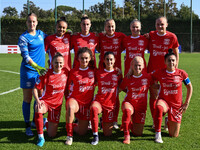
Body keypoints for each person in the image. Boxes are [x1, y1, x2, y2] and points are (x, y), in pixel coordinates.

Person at [152, 49, 192, 143]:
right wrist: (155, 85)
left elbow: (190, 87)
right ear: (165, 62)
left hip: (176, 105)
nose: (171, 62)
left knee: (174, 135)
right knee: (158, 107)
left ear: (176, 61)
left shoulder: (182, 73)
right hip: (164, 101)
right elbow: (150, 78)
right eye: (169, 60)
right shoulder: (159, 72)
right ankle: (158, 134)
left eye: (173, 60)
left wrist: (186, 103)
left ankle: (167, 120)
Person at [147, 16, 180, 127]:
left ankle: (166, 118)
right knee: (153, 95)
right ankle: (154, 119)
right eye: (158, 24)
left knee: (167, 95)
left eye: (162, 24)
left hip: (167, 71)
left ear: (166, 25)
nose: (160, 26)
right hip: (152, 71)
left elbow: (176, 52)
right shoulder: (151, 35)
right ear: (155, 25)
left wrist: (175, 67)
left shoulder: (172, 37)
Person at [18, 13, 47, 136]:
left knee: (39, 97)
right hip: (29, 72)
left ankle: (36, 121)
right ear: (26, 23)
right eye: (29, 22)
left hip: (40, 73)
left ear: (37, 22)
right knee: (28, 98)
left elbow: (53, 39)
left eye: (34, 21)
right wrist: (36, 67)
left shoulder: (41, 34)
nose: (32, 24)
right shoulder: (23, 38)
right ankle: (27, 125)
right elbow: (25, 56)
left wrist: (65, 31)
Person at [33, 53, 69, 147]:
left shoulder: (66, 73)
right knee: (38, 108)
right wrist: (38, 100)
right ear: (52, 62)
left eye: (61, 63)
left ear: (64, 63)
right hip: (46, 102)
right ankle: (41, 137)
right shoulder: (46, 74)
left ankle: (45, 122)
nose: (58, 65)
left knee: (52, 135)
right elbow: (35, 88)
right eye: (56, 62)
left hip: (57, 106)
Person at [98, 19, 126, 129]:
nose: (111, 29)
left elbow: (129, 43)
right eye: (108, 26)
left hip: (116, 71)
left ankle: (114, 120)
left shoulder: (121, 36)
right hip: (103, 71)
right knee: (102, 94)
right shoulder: (100, 36)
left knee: (115, 95)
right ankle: (102, 117)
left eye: (113, 26)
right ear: (105, 27)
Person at [90, 51, 122, 145]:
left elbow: (122, 86)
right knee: (94, 108)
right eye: (107, 59)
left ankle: (102, 122)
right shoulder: (98, 72)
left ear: (115, 60)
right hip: (99, 101)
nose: (109, 61)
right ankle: (95, 135)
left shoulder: (118, 73)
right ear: (103, 60)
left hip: (110, 105)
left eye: (111, 59)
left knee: (108, 134)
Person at [65, 47, 96, 145]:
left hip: (87, 104)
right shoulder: (73, 72)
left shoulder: (94, 71)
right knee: (70, 107)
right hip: (75, 101)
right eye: (82, 58)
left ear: (90, 58)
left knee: (82, 133)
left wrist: (117, 71)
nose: (84, 60)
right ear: (78, 58)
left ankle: (72, 125)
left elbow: (105, 76)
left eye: (86, 58)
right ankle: (69, 136)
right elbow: (66, 87)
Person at [119, 56, 152, 144]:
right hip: (129, 102)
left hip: (141, 106)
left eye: (139, 65)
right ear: (132, 66)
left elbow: (155, 84)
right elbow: (120, 89)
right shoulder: (128, 77)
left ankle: (127, 123)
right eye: (135, 65)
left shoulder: (148, 77)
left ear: (143, 66)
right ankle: (127, 136)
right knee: (127, 111)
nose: (137, 68)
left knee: (138, 133)